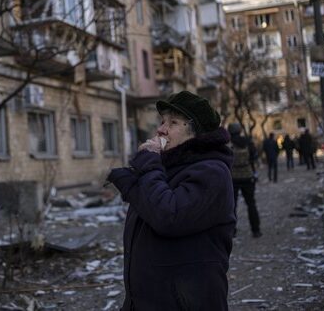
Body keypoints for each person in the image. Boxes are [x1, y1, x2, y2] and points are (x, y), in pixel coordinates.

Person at [107, 91, 235, 310]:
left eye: (173, 122)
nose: (161, 129)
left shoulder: (212, 172)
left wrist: (148, 165)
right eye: (162, 121)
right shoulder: (167, 168)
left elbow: (169, 216)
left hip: (188, 302)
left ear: (197, 133)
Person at [228, 123, 262, 238]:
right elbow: (254, 157)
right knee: (251, 204)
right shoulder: (248, 142)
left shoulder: (227, 144)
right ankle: (256, 230)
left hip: (233, 178)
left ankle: (232, 230)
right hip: (248, 176)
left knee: (232, 205)